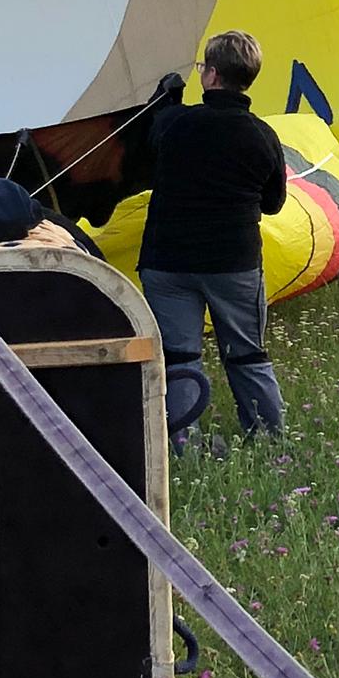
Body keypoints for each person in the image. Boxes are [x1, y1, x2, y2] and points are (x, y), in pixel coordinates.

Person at [140, 31, 288, 438]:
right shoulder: (262, 136)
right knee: (246, 355)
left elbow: (150, 141)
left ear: (211, 75)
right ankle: (268, 439)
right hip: (232, 263)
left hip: (167, 261)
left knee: (179, 357)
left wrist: (165, 100)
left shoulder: (174, 124)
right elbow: (273, 204)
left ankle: (180, 442)